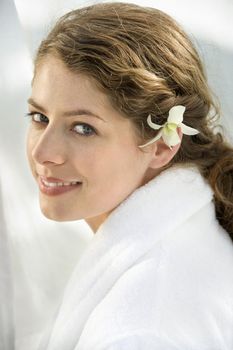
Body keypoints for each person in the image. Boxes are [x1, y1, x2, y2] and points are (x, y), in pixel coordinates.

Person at [25, 2, 233, 349]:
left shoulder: (139, 329)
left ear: (162, 146)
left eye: (83, 128)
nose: (42, 152)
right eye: (39, 117)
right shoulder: (189, 237)